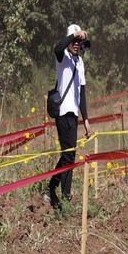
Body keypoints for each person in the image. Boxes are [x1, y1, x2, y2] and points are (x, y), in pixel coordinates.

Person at [44, 23, 91, 210]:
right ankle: (63, 195)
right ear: (70, 40)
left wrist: (86, 119)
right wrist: (74, 35)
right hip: (62, 113)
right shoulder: (62, 57)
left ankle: (52, 189)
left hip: (73, 114)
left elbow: (82, 92)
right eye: (74, 41)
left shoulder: (80, 62)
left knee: (69, 155)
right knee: (68, 155)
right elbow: (57, 47)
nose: (77, 44)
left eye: (79, 42)